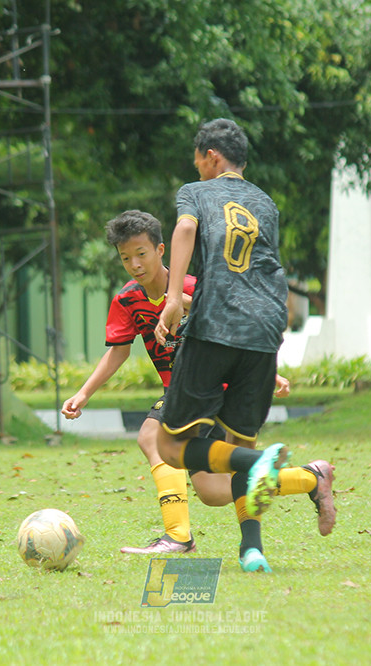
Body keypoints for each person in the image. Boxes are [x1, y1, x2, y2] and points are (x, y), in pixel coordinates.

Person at [63, 209, 332, 555]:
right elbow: (118, 352)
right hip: (182, 393)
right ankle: (310, 478)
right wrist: (84, 393)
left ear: (161, 250)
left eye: (141, 254)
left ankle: (177, 537)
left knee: (151, 436)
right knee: (213, 492)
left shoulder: (195, 287)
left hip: (216, 391)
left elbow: (238, 328)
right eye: (125, 258)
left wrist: (268, 371)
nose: (134, 264)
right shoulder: (127, 300)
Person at [155, 118, 335, 573]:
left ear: (211, 156)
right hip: (266, 328)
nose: (197, 169)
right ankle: (252, 550)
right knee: (237, 444)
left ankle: (259, 462)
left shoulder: (196, 192)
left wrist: (173, 297)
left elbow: (184, 230)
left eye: (198, 161)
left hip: (216, 322)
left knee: (171, 446)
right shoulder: (265, 202)